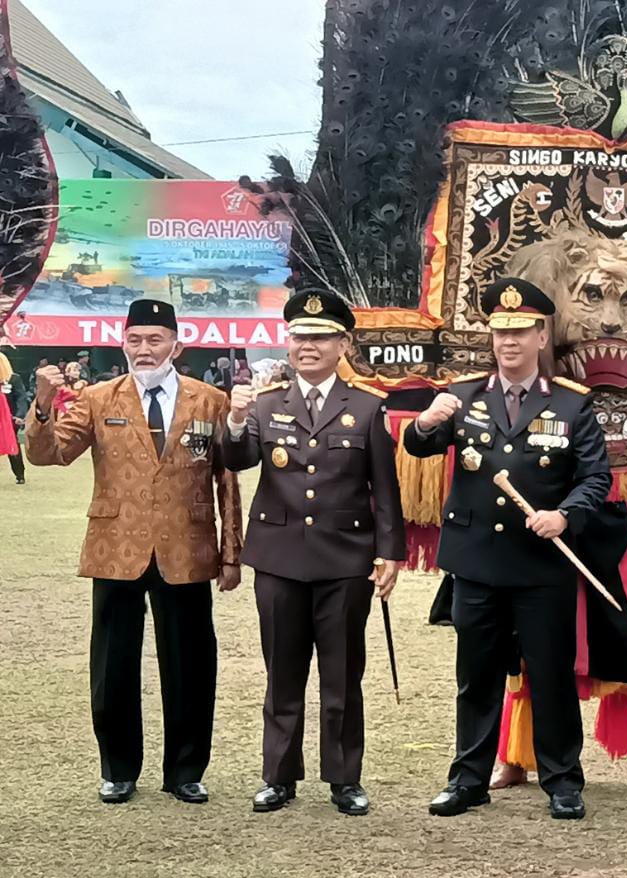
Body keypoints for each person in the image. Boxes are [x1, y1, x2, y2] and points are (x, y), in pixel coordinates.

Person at [404, 276, 613, 821]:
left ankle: (562, 780)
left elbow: (596, 478)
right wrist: (424, 422)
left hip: (541, 565)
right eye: (500, 332)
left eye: (520, 332)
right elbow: (420, 446)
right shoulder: (464, 396)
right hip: (476, 561)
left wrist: (564, 515)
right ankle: (468, 779)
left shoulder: (571, 404)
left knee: (550, 675)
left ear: (542, 337)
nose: (509, 342)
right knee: (477, 677)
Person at [25, 299, 243, 805]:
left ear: (176, 345)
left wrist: (231, 552)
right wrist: (42, 405)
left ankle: (186, 771)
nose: (144, 349)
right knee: (113, 662)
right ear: (123, 343)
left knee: (191, 663)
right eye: (135, 340)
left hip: (186, 547)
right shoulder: (98, 397)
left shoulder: (210, 400)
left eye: (155, 340)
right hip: (116, 546)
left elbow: (226, 479)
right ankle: (118, 768)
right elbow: (49, 454)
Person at [222, 291, 405, 817]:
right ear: (288, 342)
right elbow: (238, 458)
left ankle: (344, 779)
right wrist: (234, 421)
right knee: (282, 674)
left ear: (343, 344)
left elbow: (384, 488)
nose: (309, 346)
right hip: (279, 558)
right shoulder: (264, 404)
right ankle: (278, 777)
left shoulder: (367, 406)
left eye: (321, 337)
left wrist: (390, 552)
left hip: (345, 559)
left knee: (342, 676)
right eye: (300, 336)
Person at [0, 352, 25, 484]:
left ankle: (19, 474)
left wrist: (20, 415)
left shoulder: (14, 379)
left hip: (10, 419)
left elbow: (21, 398)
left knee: (12, 445)